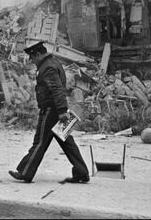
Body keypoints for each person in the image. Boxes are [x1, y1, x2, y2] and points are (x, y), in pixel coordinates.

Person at [8, 41, 90, 184]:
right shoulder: (53, 63)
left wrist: (62, 110)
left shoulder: (48, 67)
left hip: (51, 111)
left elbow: (56, 89)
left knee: (39, 142)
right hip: (57, 110)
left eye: (32, 58)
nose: (32, 62)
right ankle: (81, 172)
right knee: (67, 142)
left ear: (38, 54)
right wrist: (62, 110)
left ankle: (25, 172)